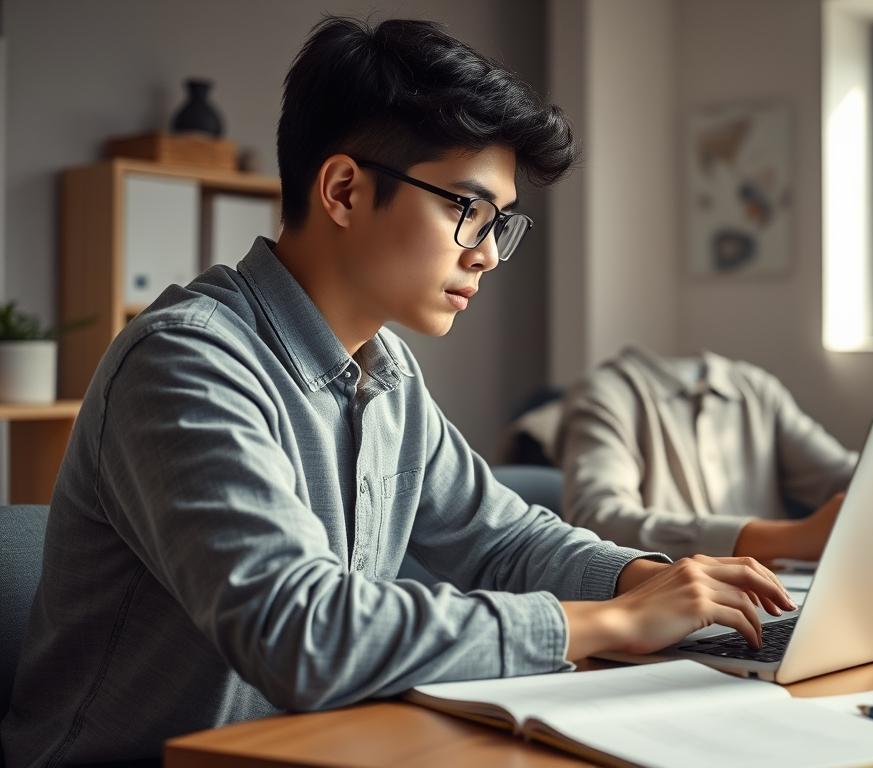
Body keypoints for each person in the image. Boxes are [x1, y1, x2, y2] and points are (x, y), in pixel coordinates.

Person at [0, 18, 791, 767]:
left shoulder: (385, 372)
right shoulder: (186, 363)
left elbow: (500, 539)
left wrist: (645, 579)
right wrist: (611, 622)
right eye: (468, 211)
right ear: (343, 191)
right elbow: (302, 633)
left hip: (317, 749)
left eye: (500, 224)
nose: (486, 255)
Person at [558, 347, 873, 563]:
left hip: (781, 603)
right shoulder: (606, 395)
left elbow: (840, 473)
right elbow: (599, 521)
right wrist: (795, 537)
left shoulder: (753, 387)